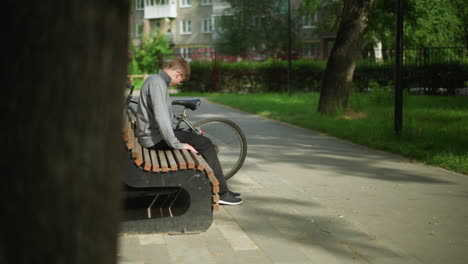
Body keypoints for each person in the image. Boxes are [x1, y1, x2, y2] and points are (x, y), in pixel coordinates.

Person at [135, 57, 243, 205]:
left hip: (153, 136)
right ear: (178, 73)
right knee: (205, 143)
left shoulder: (156, 80)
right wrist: (178, 144)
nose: (179, 82)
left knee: (198, 139)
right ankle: (222, 193)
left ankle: (222, 188)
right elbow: (162, 120)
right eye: (181, 80)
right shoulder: (157, 83)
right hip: (154, 139)